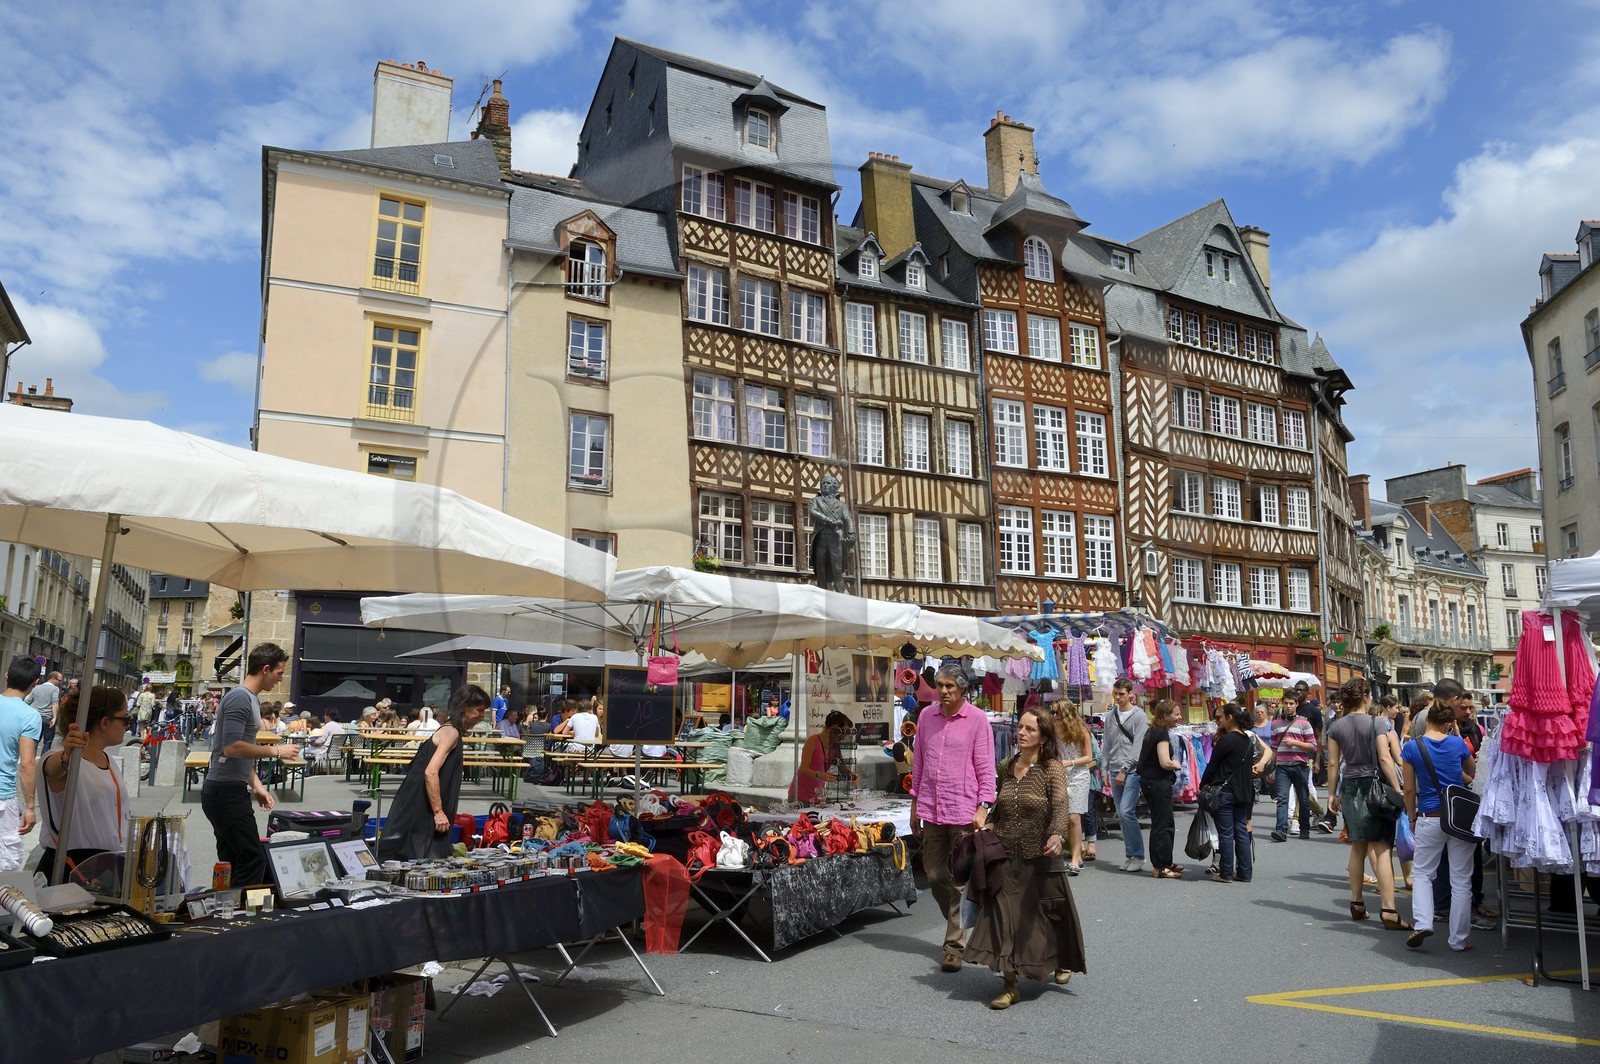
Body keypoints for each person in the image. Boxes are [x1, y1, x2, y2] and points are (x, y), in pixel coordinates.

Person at [966, 707, 1086, 1009]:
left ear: (1043, 736)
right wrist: (985, 821)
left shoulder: (1051, 768)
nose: (1022, 733)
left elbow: (1060, 804)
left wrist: (1058, 835)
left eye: (1030, 729)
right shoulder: (1007, 765)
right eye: (1020, 727)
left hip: (1042, 855)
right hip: (1005, 857)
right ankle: (1010, 984)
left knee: (1049, 915)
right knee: (1005, 919)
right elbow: (999, 807)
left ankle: (1059, 959)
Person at [910, 664, 996, 974]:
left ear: (962, 689)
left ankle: (954, 946)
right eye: (940, 685)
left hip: (963, 811)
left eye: (949, 686)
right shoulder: (925, 717)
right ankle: (959, 919)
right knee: (933, 874)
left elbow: (986, 769)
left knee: (959, 881)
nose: (943, 691)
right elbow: (918, 764)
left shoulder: (977, 720)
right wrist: (914, 807)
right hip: (932, 809)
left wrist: (983, 807)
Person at [202, 644, 298, 888]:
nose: (280, 679)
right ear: (265, 669)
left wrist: (256, 785)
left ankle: (225, 912)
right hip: (224, 792)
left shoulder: (249, 699)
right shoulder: (240, 698)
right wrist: (277, 751)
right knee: (252, 858)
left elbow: (239, 752)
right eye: (279, 673)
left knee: (232, 859)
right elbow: (232, 747)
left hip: (225, 790)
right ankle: (238, 916)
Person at [1326, 678, 1408, 930]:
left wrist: (1332, 794)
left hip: (1350, 788)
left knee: (1357, 846)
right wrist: (1397, 789)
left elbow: (1332, 763)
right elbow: (1384, 758)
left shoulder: (1336, 726)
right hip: (1374, 787)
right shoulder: (1378, 722)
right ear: (1366, 698)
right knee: (1382, 849)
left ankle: (1357, 904)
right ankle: (1389, 910)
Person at [376, 685, 490, 861]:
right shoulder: (450, 732)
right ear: (464, 707)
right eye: (479, 710)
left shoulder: (452, 731)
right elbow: (430, 772)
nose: (481, 716)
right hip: (424, 808)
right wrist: (438, 812)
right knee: (426, 859)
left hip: (423, 806)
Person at [34, 685, 130, 884]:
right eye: (125, 719)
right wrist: (67, 757)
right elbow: (53, 770)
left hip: (106, 867)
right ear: (105, 722)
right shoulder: (59, 759)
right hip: (69, 868)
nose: (128, 726)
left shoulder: (108, 760)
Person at [1402, 698, 1477, 950]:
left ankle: (1423, 922)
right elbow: (1471, 768)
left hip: (1429, 816)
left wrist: (1411, 818)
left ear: (1426, 720)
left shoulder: (1413, 748)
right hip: (1459, 818)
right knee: (1461, 880)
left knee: (1423, 873)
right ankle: (1458, 940)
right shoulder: (1457, 744)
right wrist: (1456, 735)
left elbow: (1410, 790)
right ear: (1449, 723)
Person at [1202, 704, 1257, 884]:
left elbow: (1212, 766)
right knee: (1241, 831)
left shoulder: (1227, 740)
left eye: (1222, 718)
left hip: (1225, 791)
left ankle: (1225, 872)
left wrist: (1202, 784)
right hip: (1243, 792)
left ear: (1230, 717)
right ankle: (1244, 872)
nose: (1220, 721)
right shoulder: (1247, 741)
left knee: (1226, 833)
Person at [1099, 678, 1148, 873]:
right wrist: (1104, 769)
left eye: (1121, 694)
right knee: (1121, 814)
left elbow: (1138, 747)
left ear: (1130, 694)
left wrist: (1124, 769)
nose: (1118, 698)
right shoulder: (1111, 716)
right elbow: (1107, 744)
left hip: (1132, 770)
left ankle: (1138, 854)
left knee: (1127, 811)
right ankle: (1130, 855)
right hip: (1113, 768)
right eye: (1116, 694)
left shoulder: (1139, 716)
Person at [0, 658, 43, 872]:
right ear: (35, 682)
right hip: (2, 797)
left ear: (7, 676)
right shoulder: (29, 716)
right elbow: (26, 764)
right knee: (6, 868)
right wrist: (29, 807)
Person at [1138, 699, 1184, 879]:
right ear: (1165, 716)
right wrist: (1176, 765)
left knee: (1165, 823)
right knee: (1161, 824)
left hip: (1151, 781)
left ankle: (1165, 861)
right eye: (1176, 714)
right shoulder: (1161, 734)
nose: (1179, 717)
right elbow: (1165, 762)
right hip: (1157, 782)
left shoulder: (1153, 731)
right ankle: (1160, 866)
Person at [1053, 705, 1094, 875]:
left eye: (1058, 712)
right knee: (1064, 817)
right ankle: (1077, 852)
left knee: (1074, 817)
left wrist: (1070, 762)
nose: (1054, 715)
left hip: (1078, 776)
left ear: (1067, 713)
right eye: (1053, 712)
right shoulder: (1053, 731)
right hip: (1060, 776)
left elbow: (1089, 757)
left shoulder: (1081, 731)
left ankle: (1075, 859)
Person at [1270, 695, 1318, 841]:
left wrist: (1295, 743)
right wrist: (1272, 767)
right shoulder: (1276, 724)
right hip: (1282, 767)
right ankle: (1281, 830)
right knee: (1282, 798)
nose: (1288, 706)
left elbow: (1313, 746)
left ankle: (1304, 828)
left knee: (1303, 798)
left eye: (1291, 703)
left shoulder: (1304, 723)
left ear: (1296, 704)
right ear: (1282, 704)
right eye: (1286, 703)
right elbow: (1273, 748)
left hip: (1300, 765)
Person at [789, 710, 859, 804]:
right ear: (835, 727)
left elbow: (842, 768)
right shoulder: (812, 741)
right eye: (844, 731)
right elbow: (803, 769)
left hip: (818, 796)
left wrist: (853, 776)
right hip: (800, 795)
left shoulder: (835, 745)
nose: (844, 736)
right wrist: (820, 775)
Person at [807, 473, 855, 592]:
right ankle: (821, 598)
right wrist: (830, 521)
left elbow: (848, 518)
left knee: (837, 570)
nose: (825, 485)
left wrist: (851, 533)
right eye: (823, 483)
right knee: (821, 570)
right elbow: (813, 512)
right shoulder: (815, 501)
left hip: (836, 539)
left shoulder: (841, 505)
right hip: (820, 538)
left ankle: (841, 598)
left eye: (828, 483)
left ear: (835, 487)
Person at [25, 669, 59, 758]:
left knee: (35, 739)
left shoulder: (36, 688)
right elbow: (54, 703)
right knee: (47, 741)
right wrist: (54, 717)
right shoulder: (55, 689)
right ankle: (43, 761)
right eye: (59, 680)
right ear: (53, 679)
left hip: (35, 717)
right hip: (47, 718)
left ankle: (31, 758)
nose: (60, 682)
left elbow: (27, 701)